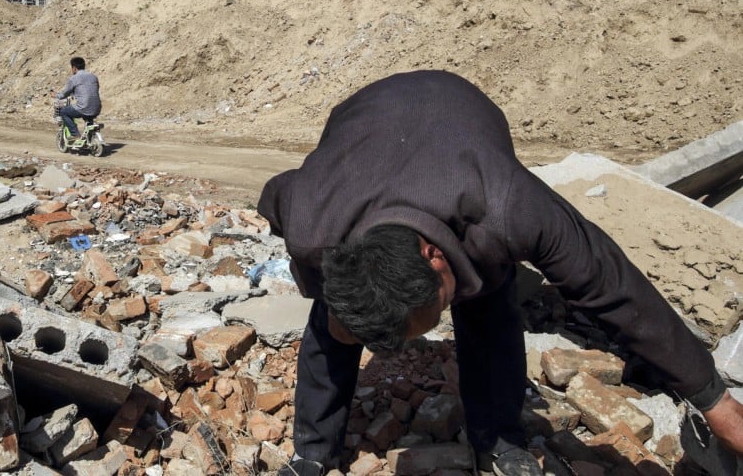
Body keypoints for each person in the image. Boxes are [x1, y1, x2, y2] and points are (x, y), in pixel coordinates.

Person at [258, 70, 743, 476]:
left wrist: (715, 401)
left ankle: (500, 438)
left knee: (488, 304)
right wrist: (323, 291)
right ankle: (313, 453)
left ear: (435, 256)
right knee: (333, 318)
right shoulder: (309, 218)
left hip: (460, 109)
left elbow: (616, 289)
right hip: (362, 120)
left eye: (437, 307)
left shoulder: (509, 208)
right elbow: (271, 194)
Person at [54, 56, 101, 143]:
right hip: (97, 108)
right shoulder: (94, 77)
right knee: (88, 116)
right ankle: (90, 137)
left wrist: (56, 95)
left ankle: (75, 133)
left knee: (64, 112)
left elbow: (64, 94)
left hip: (83, 107)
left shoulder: (74, 78)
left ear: (74, 68)